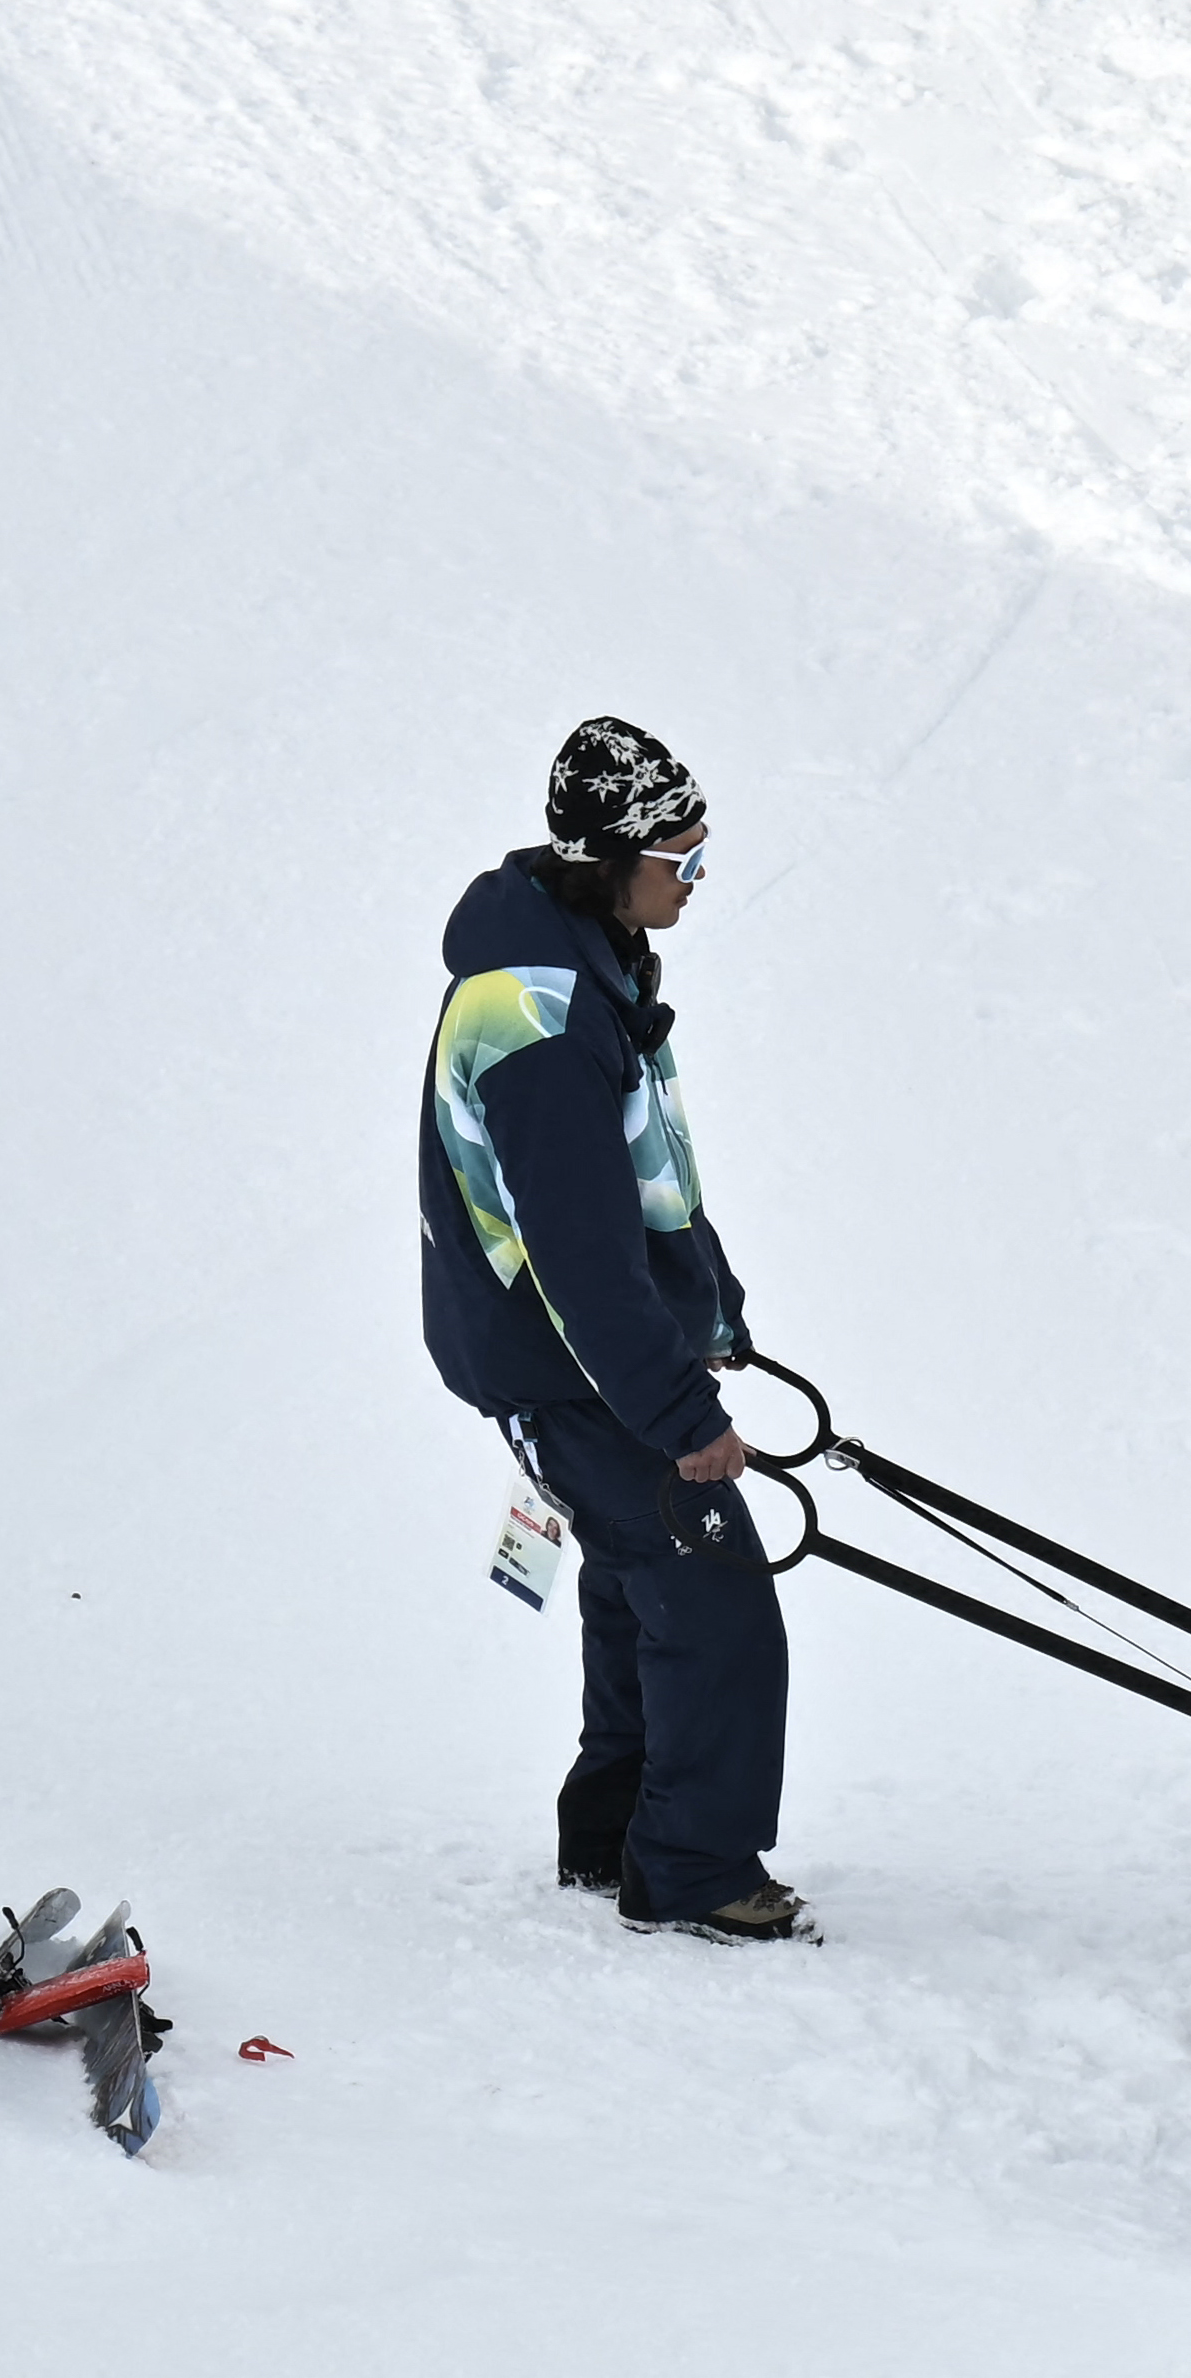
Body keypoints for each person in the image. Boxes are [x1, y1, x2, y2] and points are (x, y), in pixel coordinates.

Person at [419, 717, 810, 1944]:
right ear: (612, 856)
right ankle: (692, 1868)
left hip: (593, 1358)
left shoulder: (588, 957)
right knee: (714, 1596)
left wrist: (714, 1312)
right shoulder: (538, 1023)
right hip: (567, 1361)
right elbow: (579, 1258)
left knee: (644, 1583)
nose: (697, 882)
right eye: (682, 860)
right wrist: (681, 1415)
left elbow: (647, 1178)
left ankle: (617, 1833)